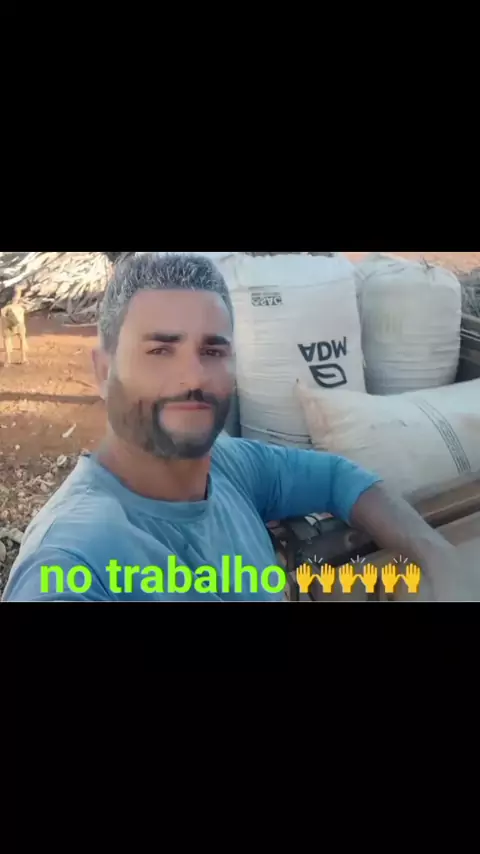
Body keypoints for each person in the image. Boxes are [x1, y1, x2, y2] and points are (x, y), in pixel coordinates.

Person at [2, 253, 464, 602]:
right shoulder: (73, 562)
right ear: (104, 372)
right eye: (160, 351)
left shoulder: (227, 465)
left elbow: (338, 477)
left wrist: (438, 557)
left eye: (212, 351)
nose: (193, 377)